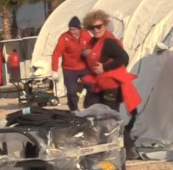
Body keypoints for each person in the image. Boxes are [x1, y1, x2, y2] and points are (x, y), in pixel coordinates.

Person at [79, 10, 142, 160]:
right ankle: (100, 148)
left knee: (110, 118)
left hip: (110, 86)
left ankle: (128, 147)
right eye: (92, 28)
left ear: (105, 25)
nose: (95, 30)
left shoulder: (109, 42)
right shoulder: (92, 43)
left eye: (98, 26)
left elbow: (123, 58)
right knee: (91, 114)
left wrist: (105, 68)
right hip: (97, 86)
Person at [51, 16, 91, 110]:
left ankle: (89, 108)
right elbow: (56, 54)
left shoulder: (85, 35)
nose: (71, 31)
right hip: (69, 69)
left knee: (91, 87)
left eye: (73, 29)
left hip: (84, 67)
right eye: (70, 29)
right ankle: (74, 111)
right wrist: (54, 71)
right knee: (71, 92)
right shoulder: (64, 38)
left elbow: (93, 48)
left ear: (79, 29)